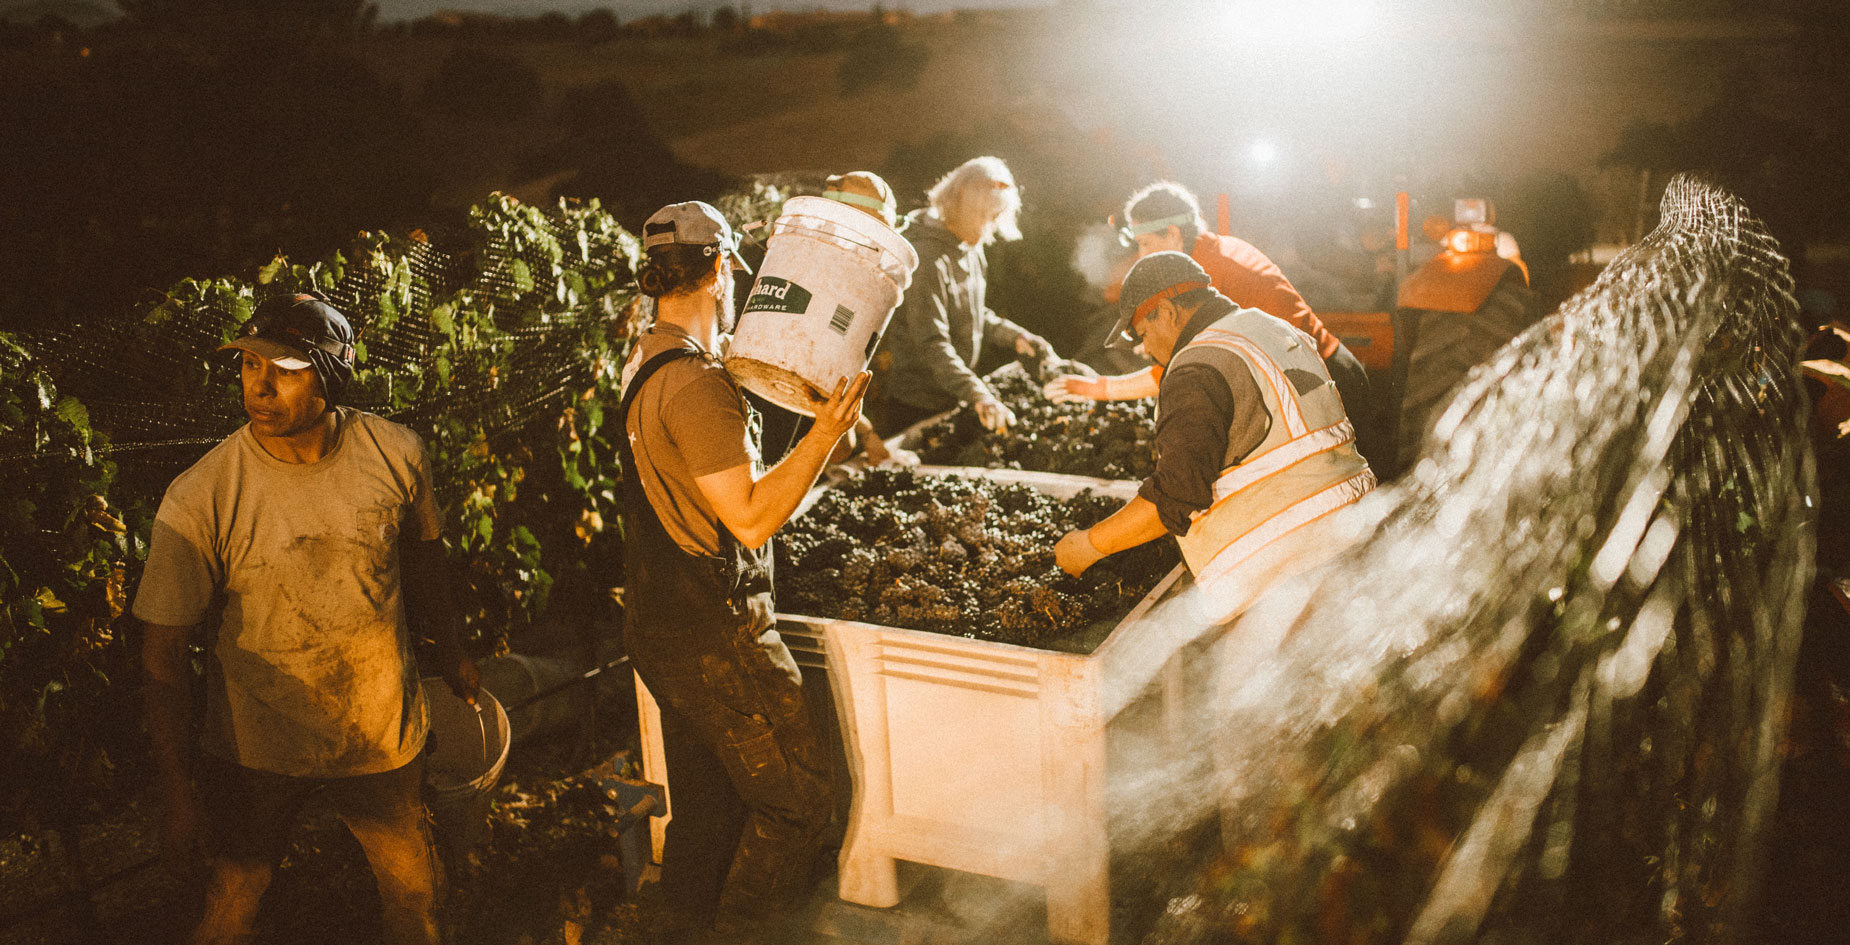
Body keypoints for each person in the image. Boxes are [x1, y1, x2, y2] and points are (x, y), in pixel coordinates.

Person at [137, 292, 479, 945]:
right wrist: (177, 790)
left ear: (330, 374)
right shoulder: (200, 496)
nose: (260, 388)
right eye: (247, 368)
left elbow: (427, 556)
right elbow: (161, 658)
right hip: (257, 748)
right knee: (233, 901)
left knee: (415, 898)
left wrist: (453, 644)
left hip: (379, 736)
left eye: (284, 370)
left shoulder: (397, 453)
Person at [620, 201, 868, 941]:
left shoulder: (646, 354)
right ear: (723, 268)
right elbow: (752, 517)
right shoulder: (695, 384)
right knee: (799, 801)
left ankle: (682, 929)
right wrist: (826, 433)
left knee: (710, 803)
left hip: (660, 625)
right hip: (715, 634)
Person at [1053, 253, 1376, 624]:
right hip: (1353, 532)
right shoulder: (1271, 329)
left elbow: (1175, 495)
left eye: (1143, 335)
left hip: (1285, 569)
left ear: (1169, 312)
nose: (1147, 350)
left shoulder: (1196, 367)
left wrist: (1088, 546)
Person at [1045, 182, 1386, 468]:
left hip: (1327, 386)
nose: (1141, 256)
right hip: (1325, 374)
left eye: (1146, 244)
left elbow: (1176, 372)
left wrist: (1096, 389)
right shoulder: (1213, 252)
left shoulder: (1207, 279)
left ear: (1174, 234)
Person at [875, 156, 1054, 436]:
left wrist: (1016, 337)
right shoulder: (926, 260)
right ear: (964, 207)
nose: (993, 227)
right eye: (989, 217)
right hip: (916, 404)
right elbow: (932, 343)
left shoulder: (970, 247)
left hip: (954, 393)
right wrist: (977, 393)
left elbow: (973, 313)